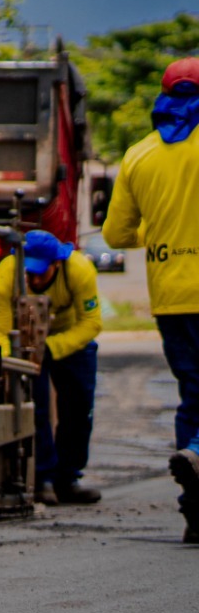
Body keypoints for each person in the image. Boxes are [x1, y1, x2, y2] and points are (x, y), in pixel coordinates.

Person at [103, 55, 199, 540]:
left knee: (192, 395)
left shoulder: (139, 154)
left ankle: (195, 512)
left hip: (170, 296)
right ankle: (198, 453)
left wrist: (163, 234)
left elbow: (116, 234)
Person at [0, 228, 102, 506]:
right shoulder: (4, 276)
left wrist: (52, 348)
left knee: (78, 406)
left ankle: (68, 478)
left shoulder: (80, 270)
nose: (35, 279)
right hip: (25, 343)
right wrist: (15, 357)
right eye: (30, 273)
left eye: (42, 273)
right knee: (35, 409)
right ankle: (42, 478)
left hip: (70, 339)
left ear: (57, 264)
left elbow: (92, 323)